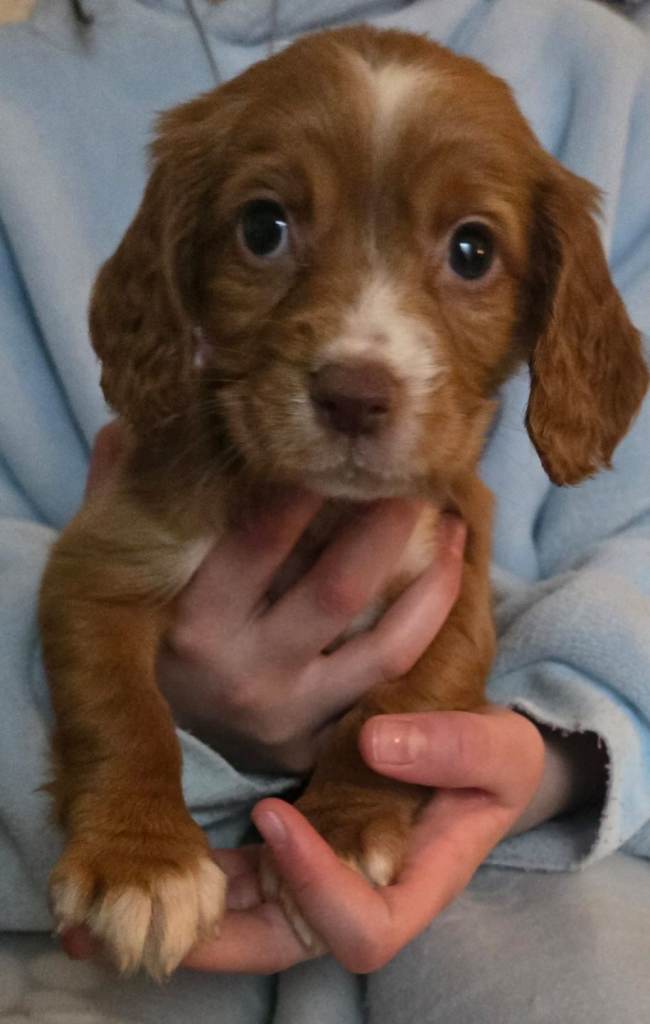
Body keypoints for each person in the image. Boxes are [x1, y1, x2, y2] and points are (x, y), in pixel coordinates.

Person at [0, 1, 648, 1022]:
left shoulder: (607, 79)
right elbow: (91, 593)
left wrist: (548, 750)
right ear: (178, 260)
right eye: (266, 231)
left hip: (521, 878)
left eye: (468, 253)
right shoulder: (22, 96)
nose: (362, 354)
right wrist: (137, 788)